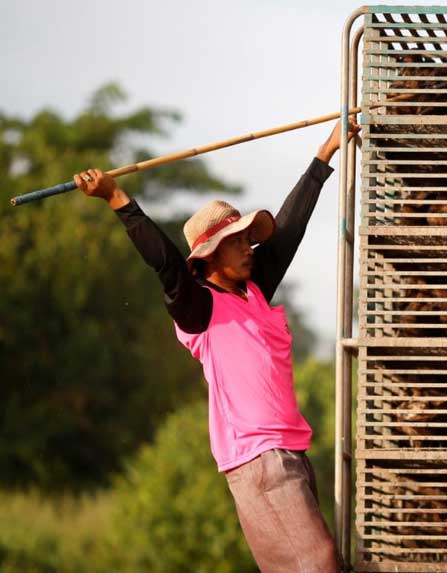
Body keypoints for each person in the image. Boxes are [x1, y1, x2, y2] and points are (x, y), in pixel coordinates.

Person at [73, 119, 360, 573]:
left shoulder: (255, 291)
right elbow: (166, 264)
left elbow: (287, 231)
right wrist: (117, 199)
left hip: (290, 453)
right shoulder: (199, 307)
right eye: (236, 242)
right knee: (321, 565)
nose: (249, 248)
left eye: (248, 239)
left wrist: (324, 155)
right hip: (258, 459)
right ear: (209, 255)